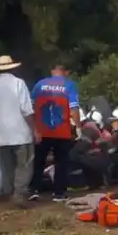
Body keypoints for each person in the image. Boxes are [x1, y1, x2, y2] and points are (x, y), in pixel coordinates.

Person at [0, 54, 36, 203]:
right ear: (13, 68)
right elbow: (26, 110)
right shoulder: (19, 83)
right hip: (20, 133)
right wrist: (34, 130)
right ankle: (19, 193)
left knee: (7, 167)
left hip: (1, 135)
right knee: (24, 165)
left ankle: (9, 192)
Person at [29, 64, 80, 202]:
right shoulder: (69, 85)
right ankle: (58, 193)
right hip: (61, 130)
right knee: (61, 162)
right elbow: (74, 109)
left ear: (52, 71)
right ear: (65, 72)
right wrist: (78, 127)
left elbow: (30, 107)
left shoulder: (39, 85)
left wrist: (34, 128)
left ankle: (34, 189)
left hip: (42, 129)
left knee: (39, 160)